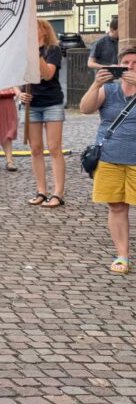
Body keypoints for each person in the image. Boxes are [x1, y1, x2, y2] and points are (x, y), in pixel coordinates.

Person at [80, 46, 136, 274]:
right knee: (116, 207)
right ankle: (122, 255)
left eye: (135, 64)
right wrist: (96, 84)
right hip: (110, 158)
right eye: (126, 64)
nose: (130, 68)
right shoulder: (110, 91)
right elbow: (85, 108)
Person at [19, 19, 67, 208]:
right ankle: (41, 190)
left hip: (51, 103)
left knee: (54, 148)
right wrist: (19, 94)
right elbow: (15, 78)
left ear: (44, 31)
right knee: (35, 149)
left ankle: (58, 193)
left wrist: (35, 53)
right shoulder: (22, 52)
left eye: (35, 27)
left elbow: (47, 74)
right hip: (31, 105)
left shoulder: (52, 50)